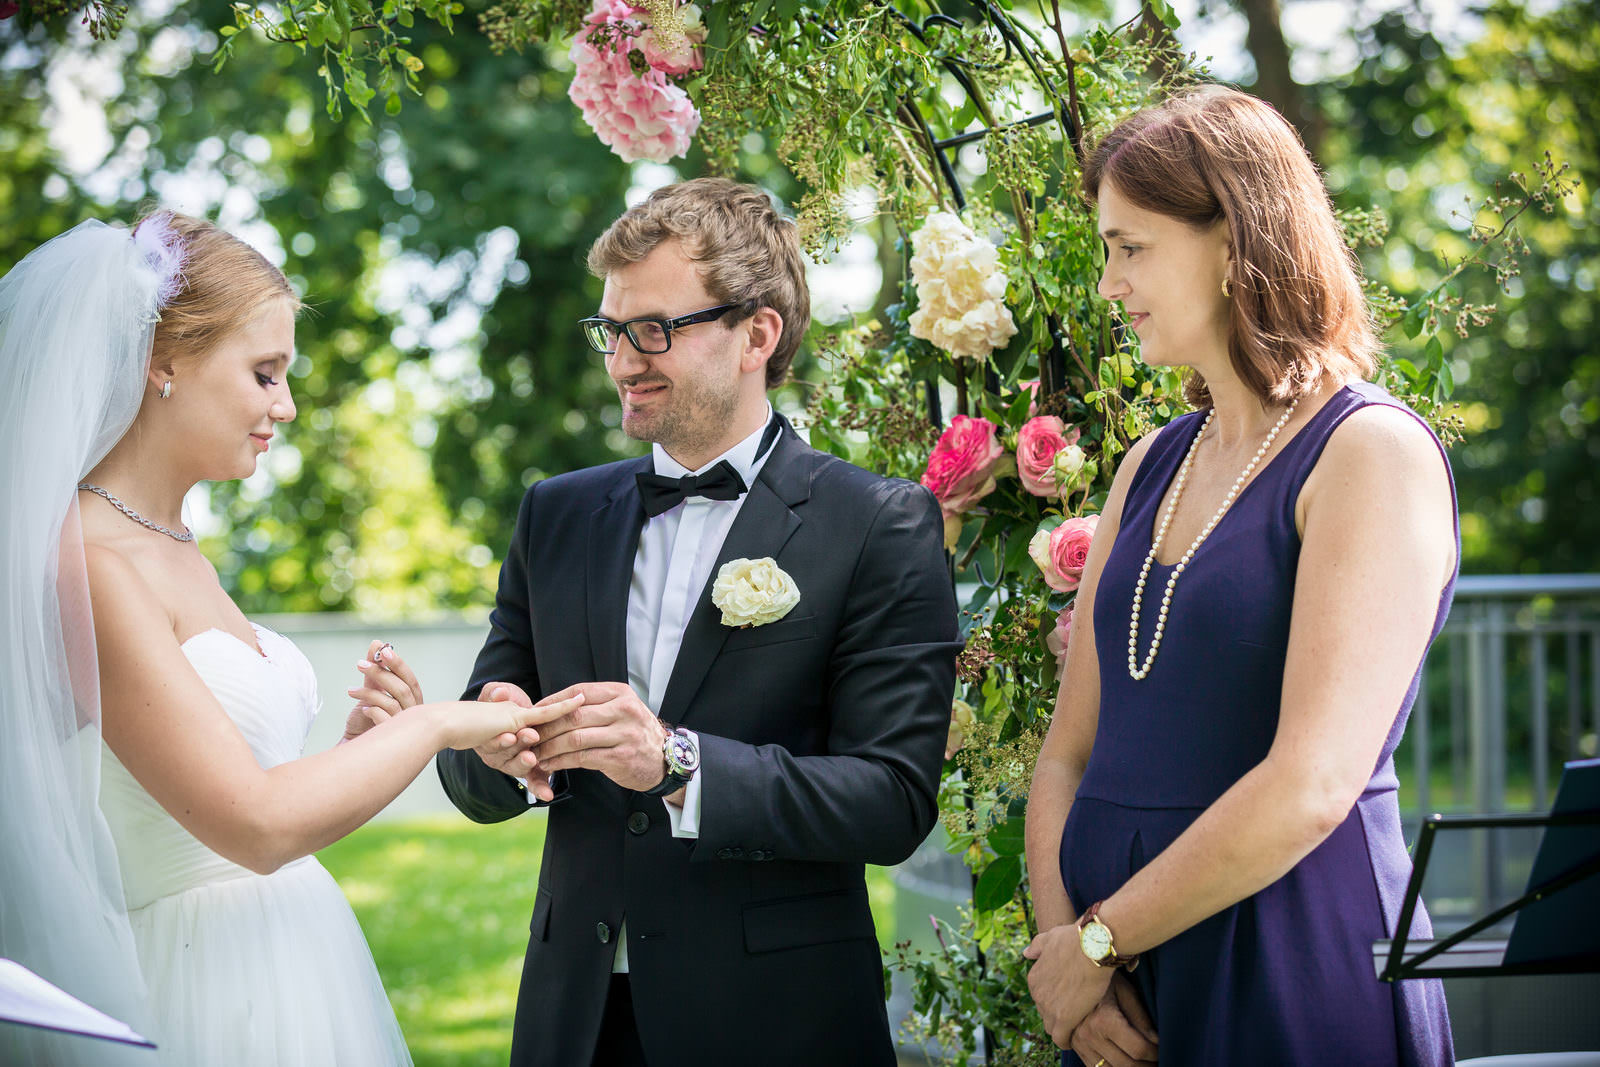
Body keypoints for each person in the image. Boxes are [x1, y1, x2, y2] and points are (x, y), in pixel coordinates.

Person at [0, 212, 575, 1066]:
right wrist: (439, 724)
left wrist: (362, 749)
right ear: (163, 361)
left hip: (291, 963)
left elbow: (236, 812)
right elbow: (256, 828)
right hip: (196, 993)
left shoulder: (174, 545)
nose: (288, 405)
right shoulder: (92, 564)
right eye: (265, 373)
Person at [432, 177, 962, 1066]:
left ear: (757, 333)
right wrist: (485, 751)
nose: (624, 358)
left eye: (655, 330)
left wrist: (680, 763)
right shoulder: (554, 515)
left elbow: (892, 800)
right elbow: (475, 764)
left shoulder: (878, 523)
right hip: (575, 1019)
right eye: (612, 330)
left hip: (775, 1021)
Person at [1022, 87, 1457, 1066]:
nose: (1107, 282)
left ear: (1234, 239)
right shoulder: (1149, 464)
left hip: (1289, 962)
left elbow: (1312, 782)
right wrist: (1065, 961)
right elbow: (1065, 753)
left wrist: (1098, 938)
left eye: (1131, 247)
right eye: (1106, 249)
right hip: (1118, 990)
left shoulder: (1367, 453)